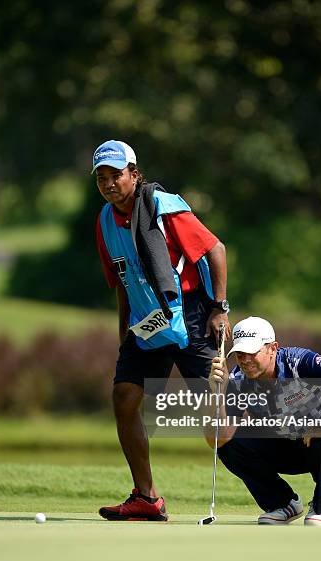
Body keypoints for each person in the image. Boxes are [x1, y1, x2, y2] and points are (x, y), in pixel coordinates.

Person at [93, 139, 230, 521]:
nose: (108, 184)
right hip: (145, 323)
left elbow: (215, 250)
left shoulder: (165, 208)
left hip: (189, 313)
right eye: (101, 178)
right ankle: (147, 497)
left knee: (219, 412)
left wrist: (219, 308)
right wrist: (125, 337)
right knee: (124, 396)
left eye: (116, 175)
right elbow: (123, 282)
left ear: (134, 174)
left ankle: (277, 476)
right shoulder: (104, 221)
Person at [207, 316, 321, 527]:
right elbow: (219, 438)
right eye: (240, 354)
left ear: (273, 348)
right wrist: (217, 392)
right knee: (230, 445)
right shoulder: (237, 380)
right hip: (287, 444)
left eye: (253, 352)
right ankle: (283, 504)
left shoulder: (296, 362)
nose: (246, 360)